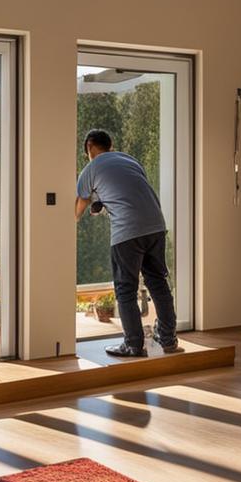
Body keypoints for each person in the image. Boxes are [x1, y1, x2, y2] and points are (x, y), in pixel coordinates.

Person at [74, 129, 180, 358]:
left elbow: (78, 206)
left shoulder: (90, 169)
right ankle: (169, 340)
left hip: (127, 233)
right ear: (111, 145)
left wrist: (79, 211)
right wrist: (100, 201)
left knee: (125, 289)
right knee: (159, 283)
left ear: (90, 147)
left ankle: (133, 345)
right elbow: (129, 190)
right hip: (156, 226)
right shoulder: (129, 160)